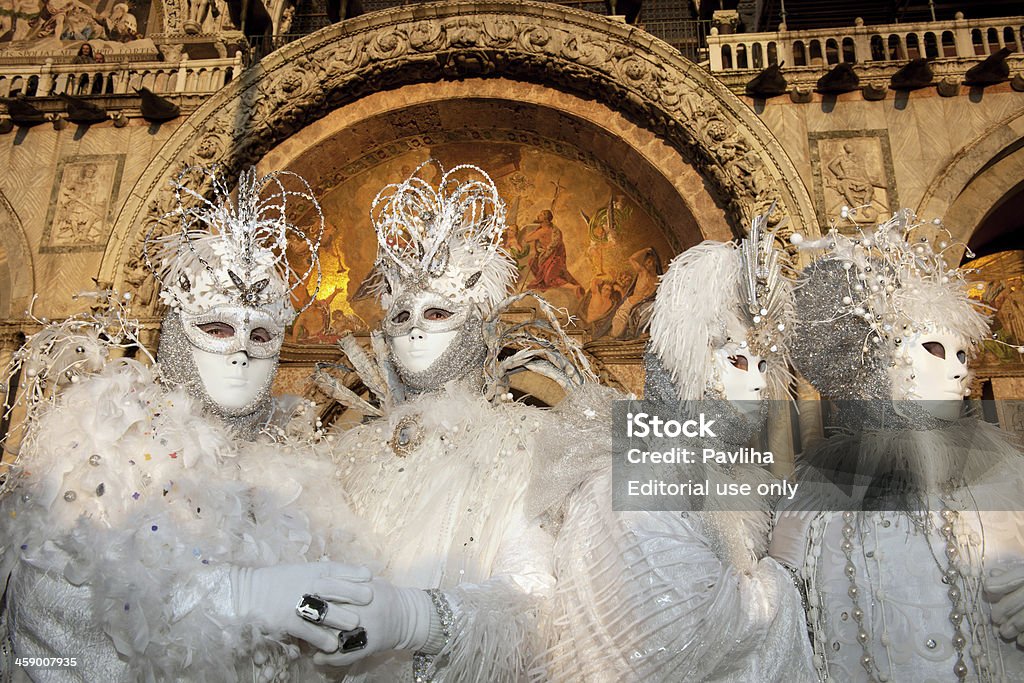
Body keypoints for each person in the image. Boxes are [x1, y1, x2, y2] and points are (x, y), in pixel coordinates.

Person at [0, 166, 376, 681]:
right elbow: (48, 612)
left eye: (262, 333)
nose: (242, 350)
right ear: (178, 332)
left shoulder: (304, 470)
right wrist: (232, 596)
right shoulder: (105, 438)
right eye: (217, 328)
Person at [309, 161, 603, 682]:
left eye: (438, 312)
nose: (416, 331)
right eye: (401, 315)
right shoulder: (345, 454)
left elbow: (536, 596)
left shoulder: (523, 443)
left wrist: (417, 620)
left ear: (477, 318)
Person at [536, 213, 817, 681]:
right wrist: (782, 575)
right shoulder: (638, 476)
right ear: (684, 360)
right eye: (738, 360)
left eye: (765, 362)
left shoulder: (736, 478)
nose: (758, 380)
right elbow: (680, 635)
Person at [770, 209, 1024, 682]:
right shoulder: (814, 504)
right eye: (935, 350)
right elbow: (781, 627)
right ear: (882, 363)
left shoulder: (1005, 481)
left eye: (963, 355)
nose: (959, 371)